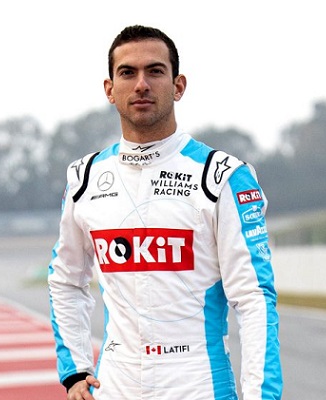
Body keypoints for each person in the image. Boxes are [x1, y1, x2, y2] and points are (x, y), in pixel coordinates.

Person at [48, 25, 282, 399]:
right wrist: (74, 369)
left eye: (155, 71)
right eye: (128, 72)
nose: (141, 84)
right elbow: (66, 280)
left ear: (178, 85)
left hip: (198, 384)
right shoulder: (85, 178)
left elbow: (254, 297)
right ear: (110, 89)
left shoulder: (222, 176)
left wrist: (261, 395)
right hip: (115, 385)